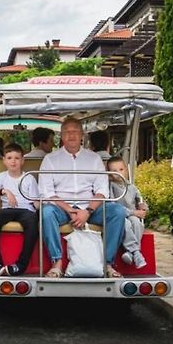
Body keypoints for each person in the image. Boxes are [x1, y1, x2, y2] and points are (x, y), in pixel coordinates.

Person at [38, 117, 125, 278]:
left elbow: (102, 190)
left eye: (75, 131)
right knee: (46, 213)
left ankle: (107, 263)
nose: (71, 136)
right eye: (67, 132)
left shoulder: (94, 159)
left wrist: (88, 211)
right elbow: (47, 192)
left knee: (118, 211)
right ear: (62, 136)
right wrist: (70, 209)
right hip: (61, 208)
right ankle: (57, 263)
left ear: (82, 135)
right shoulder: (50, 159)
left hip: (89, 206)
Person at [0, 143, 39, 276]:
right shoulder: (2, 177)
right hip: (7, 209)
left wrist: (41, 211)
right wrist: (4, 191)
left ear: (22, 160)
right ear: (4, 161)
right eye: (9, 158)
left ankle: (21, 265)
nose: (13, 161)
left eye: (17, 158)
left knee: (32, 223)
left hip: (26, 210)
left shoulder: (29, 178)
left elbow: (35, 201)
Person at [107, 156, 148, 268]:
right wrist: (133, 212)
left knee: (136, 222)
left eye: (121, 169)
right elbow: (112, 205)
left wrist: (143, 207)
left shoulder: (132, 187)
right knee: (126, 223)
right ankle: (136, 252)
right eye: (114, 171)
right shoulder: (111, 186)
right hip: (119, 216)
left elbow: (140, 200)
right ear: (110, 174)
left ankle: (131, 253)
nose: (119, 173)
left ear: (126, 170)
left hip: (132, 215)